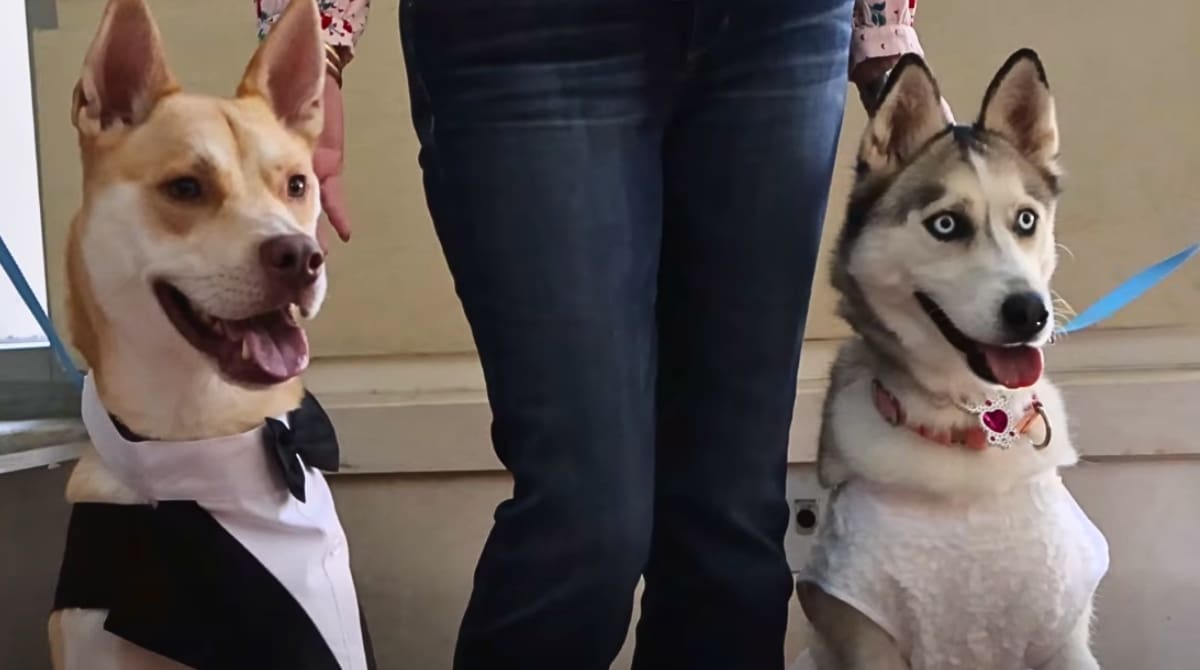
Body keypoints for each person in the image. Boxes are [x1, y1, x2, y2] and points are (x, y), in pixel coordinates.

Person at [254, 1, 927, 668]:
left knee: (732, 532)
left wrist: (884, 34)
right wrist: (316, 36)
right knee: (584, 527)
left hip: (779, 29)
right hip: (525, 32)